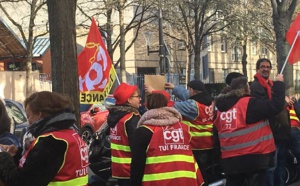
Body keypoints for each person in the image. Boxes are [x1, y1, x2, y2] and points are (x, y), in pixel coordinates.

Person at [0, 91, 88, 186]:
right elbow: (40, 169)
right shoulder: (69, 135)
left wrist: (4, 158)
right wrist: (17, 155)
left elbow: (23, 182)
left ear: (39, 114)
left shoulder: (51, 142)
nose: (28, 122)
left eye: (28, 116)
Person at [214, 74, 285, 186]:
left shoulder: (220, 111)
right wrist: (279, 84)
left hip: (230, 162)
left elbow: (216, 136)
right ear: (244, 89)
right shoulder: (249, 104)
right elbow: (276, 106)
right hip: (254, 159)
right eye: (248, 86)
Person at [145, 80, 214, 184]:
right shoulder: (206, 100)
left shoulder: (192, 106)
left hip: (196, 144)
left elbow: (170, 105)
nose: (187, 91)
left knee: (200, 173)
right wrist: (174, 88)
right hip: (208, 142)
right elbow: (187, 95)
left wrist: (154, 92)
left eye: (188, 89)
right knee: (205, 171)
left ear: (192, 90)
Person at [130, 92, 204, 186]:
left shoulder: (144, 131)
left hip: (158, 182)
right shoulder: (184, 128)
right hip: (186, 180)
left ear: (147, 107)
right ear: (166, 105)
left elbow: (137, 165)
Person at [250, 58, 290, 186]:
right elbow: (271, 106)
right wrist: (283, 98)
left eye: (268, 66)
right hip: (270, 134)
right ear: (257, 69)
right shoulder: (256, 87)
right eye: (262, 66)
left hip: (280, 133)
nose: (266, 69)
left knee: (280, 166)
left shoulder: (271, 85)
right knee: (271, 168)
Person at [107, 82, 141, 186]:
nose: (140, 99)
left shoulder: (115, 117)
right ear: (129, 100)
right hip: (131, 169)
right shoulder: (131, 118)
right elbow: (138, 146)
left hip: (119, 169)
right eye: (137, 96)